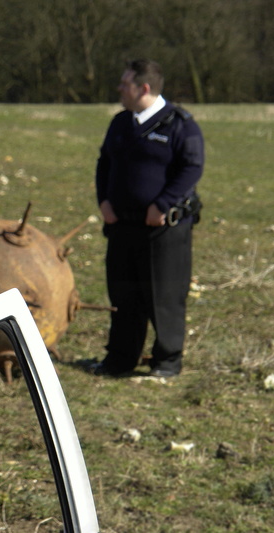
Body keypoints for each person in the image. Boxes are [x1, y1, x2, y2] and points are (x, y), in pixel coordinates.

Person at [92, 59, 204, 378]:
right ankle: (120, 360)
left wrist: (164, 204)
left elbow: (192, 168)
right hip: (121, 225)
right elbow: (104, 164)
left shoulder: (180, 124)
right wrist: (104, 202)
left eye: (124, 84)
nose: (119, 89)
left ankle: (167, 362)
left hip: (163, 229)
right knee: (123, 295)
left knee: (164, 295)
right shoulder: (120, 123)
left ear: (143, 88)